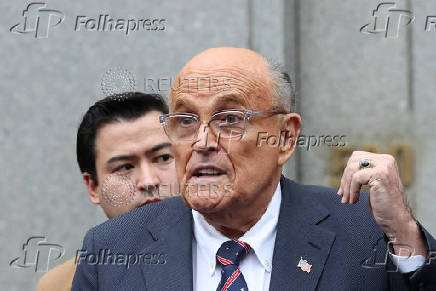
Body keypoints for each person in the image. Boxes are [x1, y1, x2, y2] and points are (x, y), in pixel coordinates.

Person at [72, 48, 436, 290]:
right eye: (185, 120)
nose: (203, 142)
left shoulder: (362, 232)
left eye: (229, 119)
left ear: (285, 137)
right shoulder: (112, 250)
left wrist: (404, 234)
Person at [37, 92, 177, 291]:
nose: (148, 181)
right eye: (125, 167)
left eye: (163, 158)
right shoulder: (64, 285)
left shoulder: (229, 254)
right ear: (92, 187)